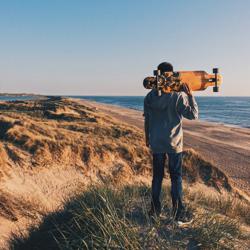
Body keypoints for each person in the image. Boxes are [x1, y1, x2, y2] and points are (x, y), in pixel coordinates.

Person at [143, 62, 198, 221]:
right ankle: (178, 213)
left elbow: (147, 121)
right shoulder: (178, 95)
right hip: (174, 143)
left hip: (157, 142)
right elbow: (193, 115)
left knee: (157, 177)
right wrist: (190, 95)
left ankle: (154, 211)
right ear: (171, 75)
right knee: (176, 177)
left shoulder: (149, 96)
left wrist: (148, 139)